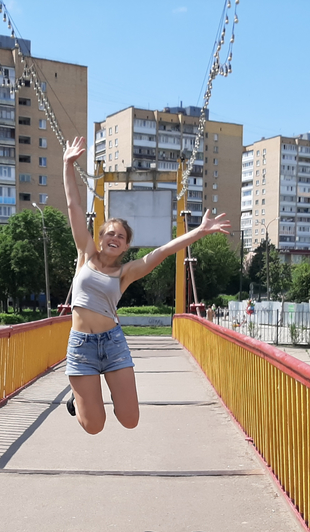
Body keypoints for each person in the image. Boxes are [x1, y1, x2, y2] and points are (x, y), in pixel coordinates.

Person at [62, 137, 231, 434]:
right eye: (110, 233)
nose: (115, 238)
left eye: (121, 236)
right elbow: (73, 206)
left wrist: (200, 232)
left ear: (126, 246)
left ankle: (103, 394)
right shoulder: (85, 254)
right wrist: (67, 164)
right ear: (100, 238)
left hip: (112, 343)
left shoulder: (125, 273)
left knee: (130, 420)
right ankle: (80, 400)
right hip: (81, 346)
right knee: (94, 426)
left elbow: (163, 251)